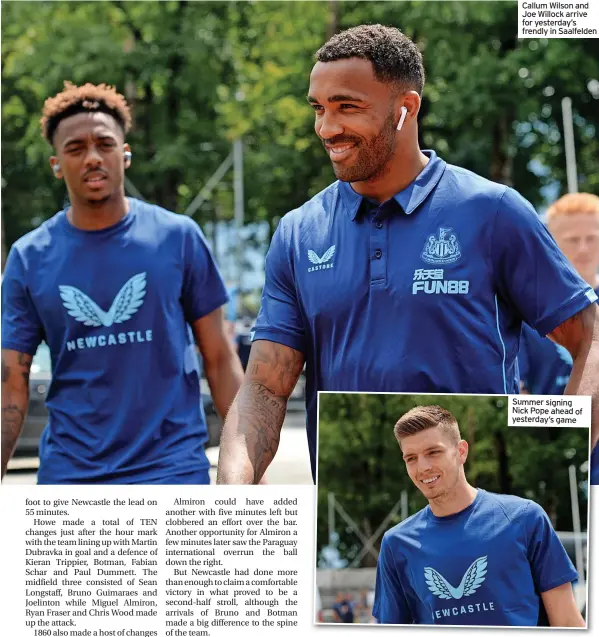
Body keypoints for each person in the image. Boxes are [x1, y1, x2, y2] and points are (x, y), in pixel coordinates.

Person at [216, 24, 599, 485]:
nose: (327, 127)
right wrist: (231, 497)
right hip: (353, 515)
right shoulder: (299, 232)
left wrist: (561, 451)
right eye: (318, 108)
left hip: (488, 499)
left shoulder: (493, 212)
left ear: (406, 108)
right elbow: (264, 386)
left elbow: (590, 338)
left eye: (348, 108)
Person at [1, 82, 244, 484]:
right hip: (70, 481)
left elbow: (220, 360)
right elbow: (11, 386)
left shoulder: (178, 238)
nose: (92, 157)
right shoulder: (29, 257)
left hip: (171, 472)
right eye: (75, 149)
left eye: (105, 144)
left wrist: (249, 474)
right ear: (57, 164)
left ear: (125, 154)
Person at [373, 405, 585, 627]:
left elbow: (567, 623)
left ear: (461, 451)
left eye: (433, 452)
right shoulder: (396, 543)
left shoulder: (524, 519)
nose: (422, 467)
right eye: (411, 458)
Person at [517, 193, 599, 482]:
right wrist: (571, 424)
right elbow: (518, 403)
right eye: (573, 240)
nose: (585, 248)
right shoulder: (526, 313)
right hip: (553, 455)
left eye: (593, 237)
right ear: (551, 243)